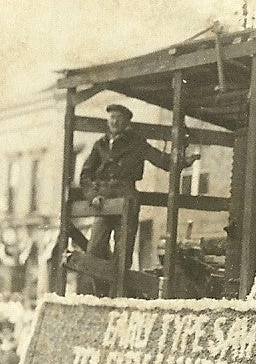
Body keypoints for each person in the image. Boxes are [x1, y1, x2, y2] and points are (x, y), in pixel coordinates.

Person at [78, 103, 200, 296]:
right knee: (93, 250)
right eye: (112, 117)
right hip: (104, 203)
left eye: (119, 117)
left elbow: (162, 160)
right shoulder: (100, 144)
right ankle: (101, 294)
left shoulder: (136, 142)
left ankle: (115, 297)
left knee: (123, 253)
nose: (115, 121)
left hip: (126, 198)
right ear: (107, 120)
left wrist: (184, 161)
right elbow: (85, 175)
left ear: (127, 122)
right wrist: (93, 196)